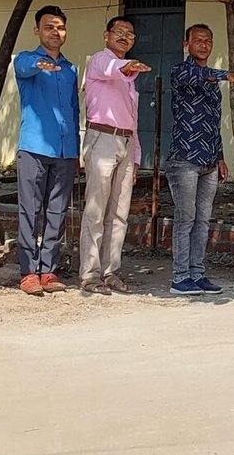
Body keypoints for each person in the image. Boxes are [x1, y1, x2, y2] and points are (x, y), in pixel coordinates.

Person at [167, 24, 234, 295]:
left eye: (208, 41)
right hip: (185, 158)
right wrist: (228, 75)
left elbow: (213, 123)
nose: (204, 45)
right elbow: (198, 75)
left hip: (209, 161)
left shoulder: (214, 82)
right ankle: (180, 277)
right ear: (186, 45)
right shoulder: (181, 70)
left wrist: (220, 157)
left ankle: (197, 273)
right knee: (186, 219)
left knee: (203, 221)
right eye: (198, 40)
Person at [78, 16, 150, 295]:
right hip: (103, 138)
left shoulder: (129, 81)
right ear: (105, 35)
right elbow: (112, 68)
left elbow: (133, 119)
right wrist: (128, 65)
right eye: (118, 32)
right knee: (96, 210)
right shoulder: (100, 60)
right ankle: (89, 274)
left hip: (126, 141)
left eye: (129, 34)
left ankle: (110, 271)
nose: (124, 37)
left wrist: (136, 155)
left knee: (119, 213)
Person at [13, 5, 81, 297]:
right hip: (34, 147)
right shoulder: (26, 59)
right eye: (49, 27)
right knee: (30, 211)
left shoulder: (70, 69)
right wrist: (40, 64)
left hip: (65, 151)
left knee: (57, 211)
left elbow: (74, 110)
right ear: (37, 30)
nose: (56, 32)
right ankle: (28, 272)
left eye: (60, 27)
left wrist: (77, 149)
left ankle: (49, 270)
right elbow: (24, 67)